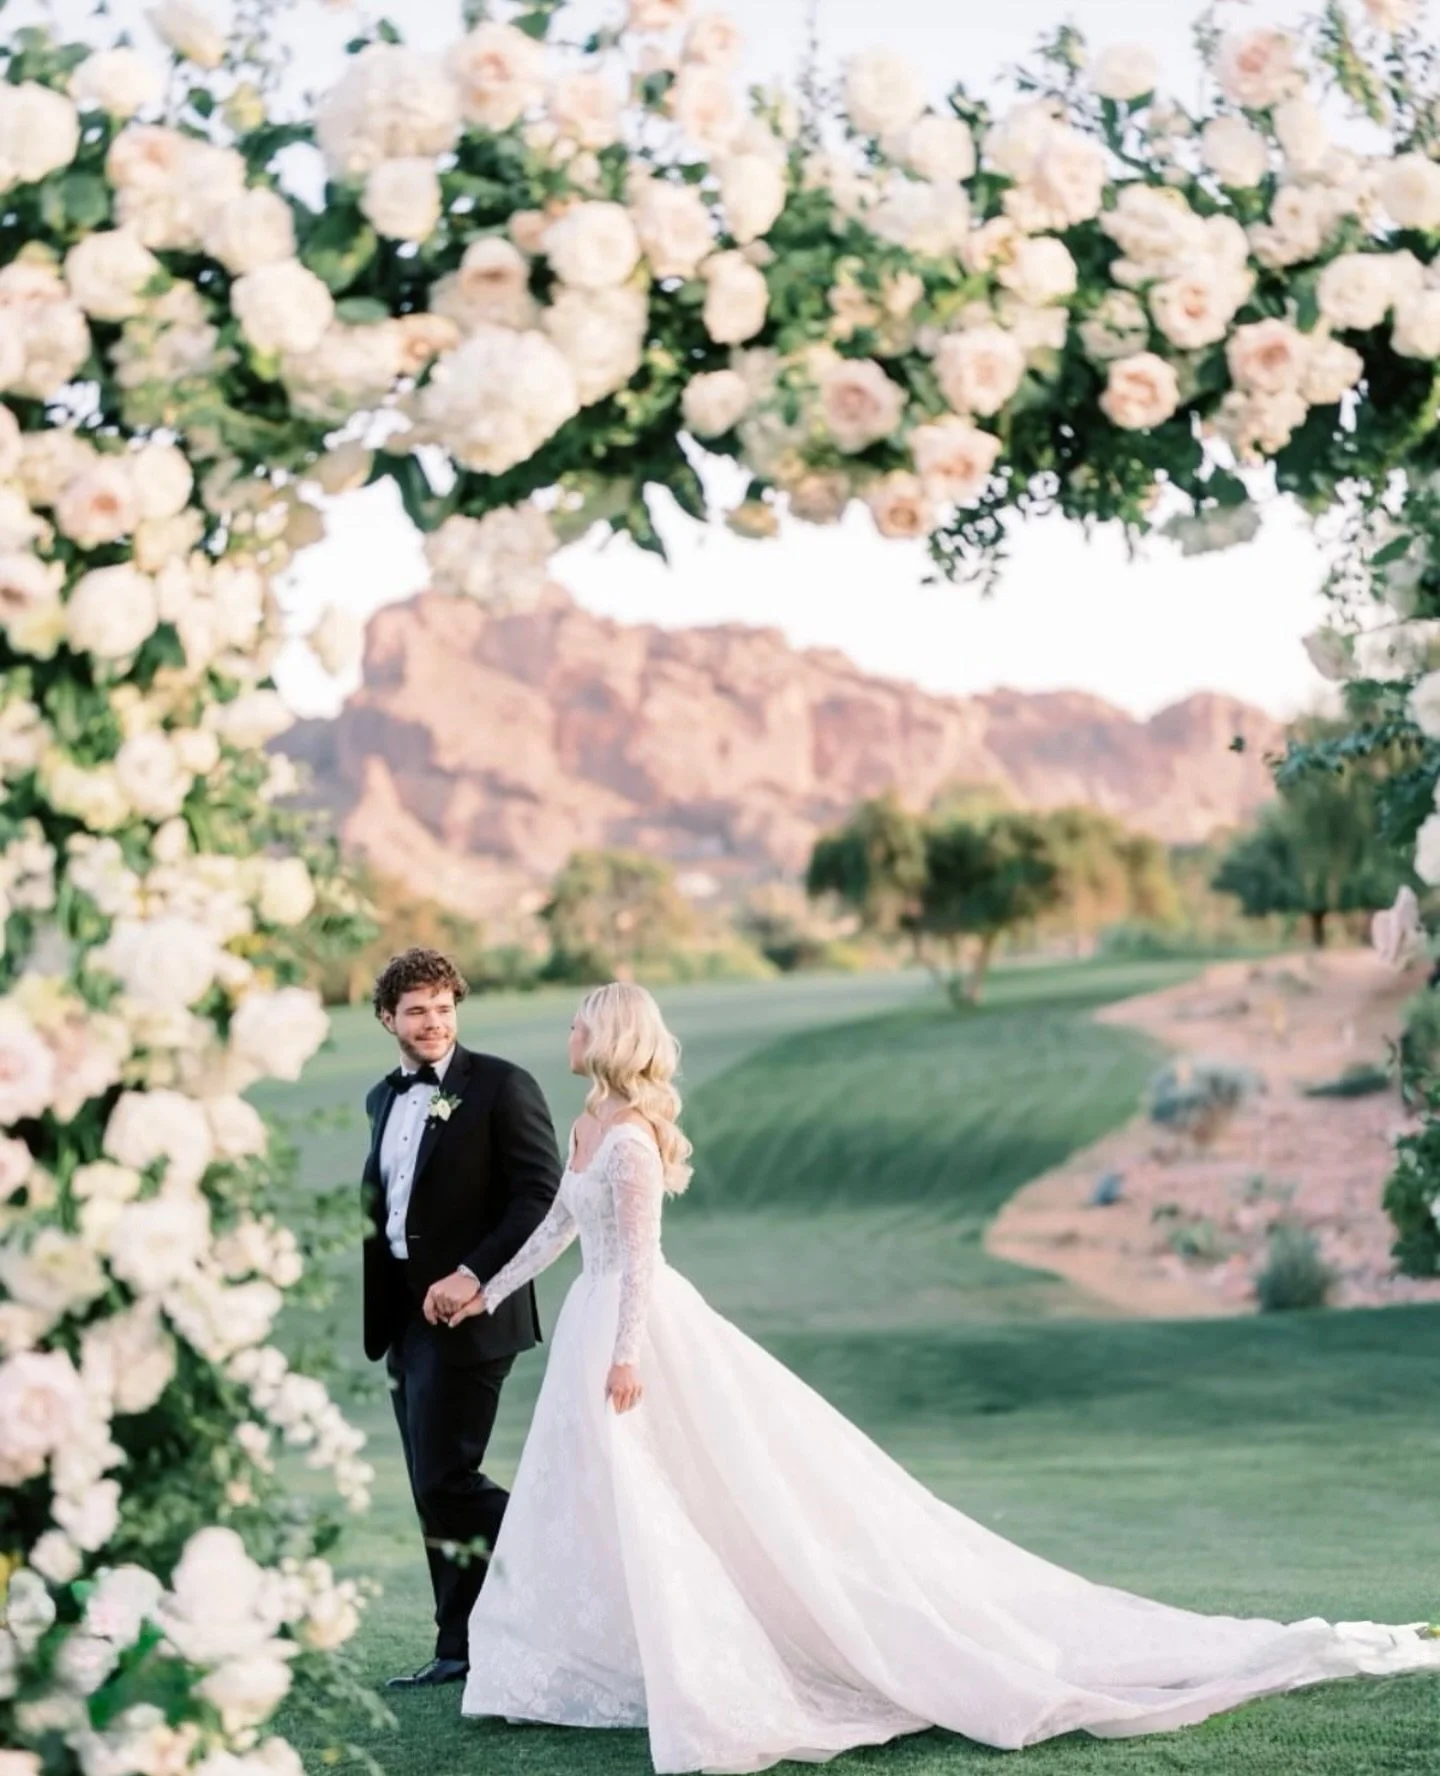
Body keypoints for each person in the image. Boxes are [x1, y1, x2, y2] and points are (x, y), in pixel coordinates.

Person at [448, 981, 1439, 1773]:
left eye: (582, 1018)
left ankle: (713, 1673)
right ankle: (590, 1667)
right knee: (591, 1501)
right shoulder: (588, 1127)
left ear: (610, 1033)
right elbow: (556, 1231)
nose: (570, 1028)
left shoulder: (628, 1141)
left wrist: (627, 1355)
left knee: (678, 1496)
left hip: (639, 1335)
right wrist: (486, 1292)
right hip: (591, 1330)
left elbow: (645, 1259)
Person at [361, 947, 562, 1689]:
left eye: (444, 1008)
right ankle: (460, 1648)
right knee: (429, 1488)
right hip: (402, 1326)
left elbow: (539, 1194)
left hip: (474, 1316)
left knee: (448, 1479)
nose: (434, 1022)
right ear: (389, 1019)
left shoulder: (503, 1086)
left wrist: (473, 1273)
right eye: (417, 1011)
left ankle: (562, 1545)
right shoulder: (382, 1100)